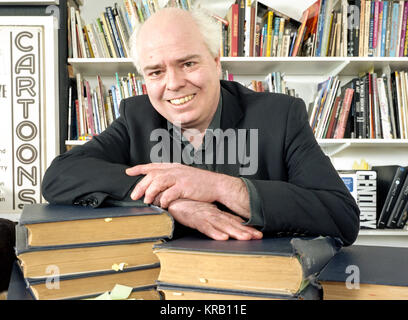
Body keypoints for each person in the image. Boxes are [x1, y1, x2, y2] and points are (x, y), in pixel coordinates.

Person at [42, 7, 360, 245]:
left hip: (260, 282)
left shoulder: (280, 115)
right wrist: (172, 201)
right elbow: (60, 176)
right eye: (155, 72)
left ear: (216, 61)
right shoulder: (136, 116)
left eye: (188, 63)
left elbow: (341, 216)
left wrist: (222, 187)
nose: (174, 84)